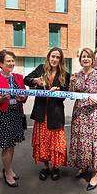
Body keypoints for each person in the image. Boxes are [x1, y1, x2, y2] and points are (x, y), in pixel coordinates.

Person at [24, 47, 70, 181]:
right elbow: (26, 79)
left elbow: (64, 95)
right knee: (42, 142)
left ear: (60, 60)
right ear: (48, 57)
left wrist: (59, 91)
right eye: (53, 56)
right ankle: (46, 167)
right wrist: (35, 81)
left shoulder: (64, 75)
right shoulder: (40, 69)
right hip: (41, 113)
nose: (54, 59)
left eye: (57, 57)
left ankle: (55, 168)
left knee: (56, 142)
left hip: (55, 114)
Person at [0, 50, 27, 187]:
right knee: (7, 146)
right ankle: (8, 172)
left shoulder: (18, 77)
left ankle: (8, 168)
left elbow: (24, 94)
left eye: (13, 60)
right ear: (0, 63)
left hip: (16, 114)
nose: (11, 63)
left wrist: (22, 98)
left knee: (12, 144)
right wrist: (0, 99)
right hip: (2, 115)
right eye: (8, 61)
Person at [69, 47, 97, 191]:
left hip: (93, 114)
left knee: (94, 142)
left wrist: (96, 101)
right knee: (80, 141)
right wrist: (72, 83)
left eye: (88, 57)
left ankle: (95, 174)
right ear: (80, 59)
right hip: (79, 113)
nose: (85, 59)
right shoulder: (76, 75)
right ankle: (84, 168)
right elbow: (71, 94)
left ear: (92, 60)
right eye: (83, 57)